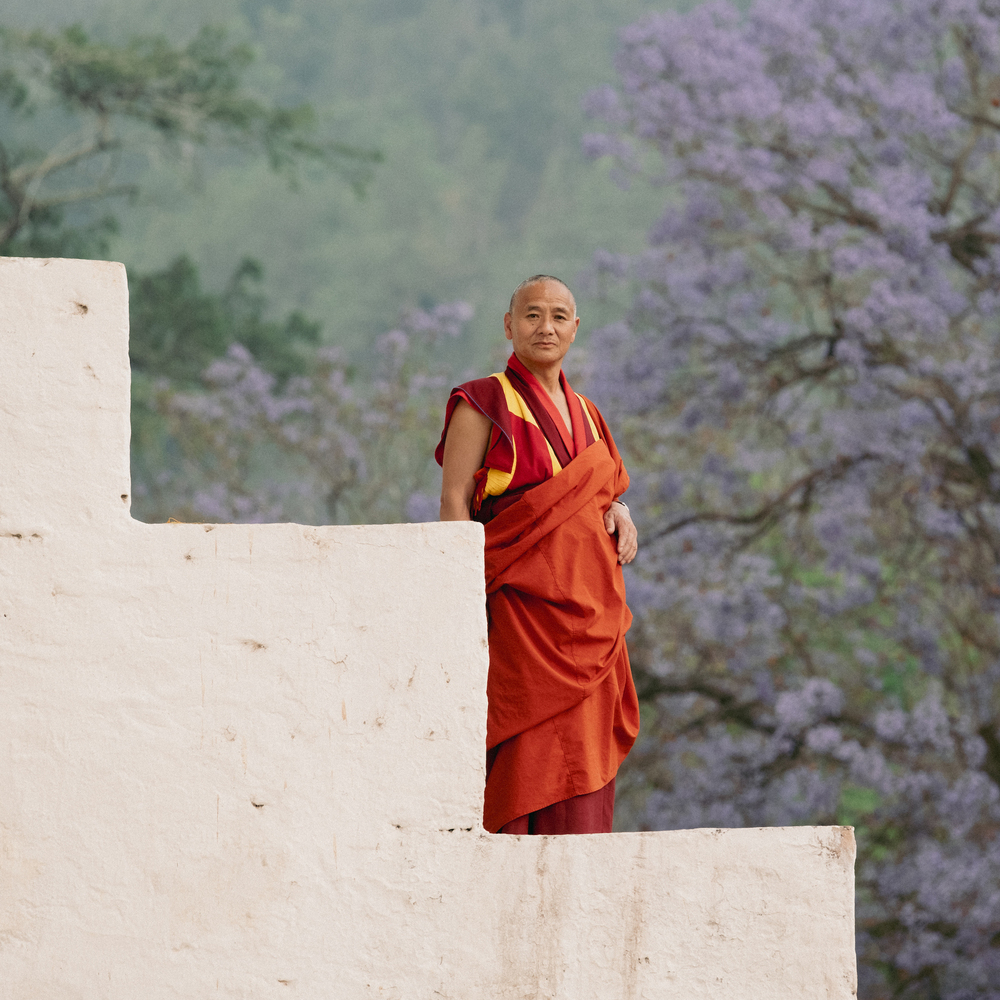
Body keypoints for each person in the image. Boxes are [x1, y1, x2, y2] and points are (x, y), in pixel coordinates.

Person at [435, 274, 640, 835]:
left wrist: (619, 510)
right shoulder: (482, 401)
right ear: (509, 325)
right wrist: (458, 599)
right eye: (531, 315)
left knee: (587, 741)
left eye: (557, 315)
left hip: (591, 607)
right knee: (531, 737)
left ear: (575, 328)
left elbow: (599, 490)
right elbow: (455, 499)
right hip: (523, 604)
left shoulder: (591, 415)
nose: (544, 327)